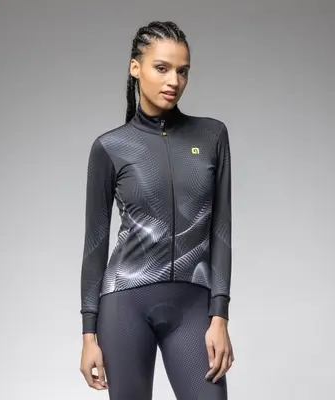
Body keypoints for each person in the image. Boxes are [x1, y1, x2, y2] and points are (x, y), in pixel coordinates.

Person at [79, 20, 234, 400]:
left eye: (183, 71)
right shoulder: (111, 147)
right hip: (124, 304)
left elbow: (221, 231)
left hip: (194, 303)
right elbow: (95, 244)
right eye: (161, 68)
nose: (173, 81)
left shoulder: (211, 136)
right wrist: (88, 334)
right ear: (136, 68)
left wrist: (220, 315)